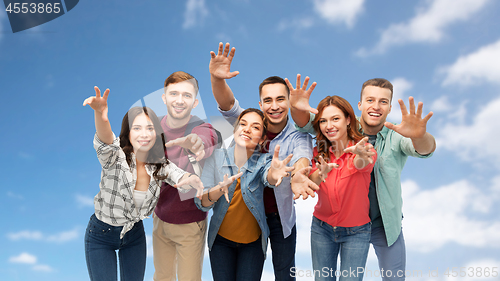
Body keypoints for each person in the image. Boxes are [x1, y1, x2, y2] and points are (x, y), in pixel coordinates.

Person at [290, 78, 436, 281]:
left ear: (390, 107)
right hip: (333, 223)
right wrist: (296, 107)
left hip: (381, 224)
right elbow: (305, 125)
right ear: (359, 105)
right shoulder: (339, 126)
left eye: (383, 102)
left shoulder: (397, 135)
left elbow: (424, 150)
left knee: (394, 278)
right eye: (370, 100)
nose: (376, 107)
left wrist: (419, 135)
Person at [209, 42, 318, 280]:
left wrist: (299, 173)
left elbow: (302, 155)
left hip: (280, 218)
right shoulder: (251, 123)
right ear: (260, 104)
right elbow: (228, 105)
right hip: (248, 217)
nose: (274, 106)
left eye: (281, 99)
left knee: (285, 274)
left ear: (289, 102)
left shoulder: (297, 134)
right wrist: (217, 80)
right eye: (268, 100)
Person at [82, 86, 204, 281]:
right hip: (102, 234)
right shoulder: (115, 157)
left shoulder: (158, 164)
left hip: (134, 235)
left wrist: (190, 178)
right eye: (137, 128)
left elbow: (177, 175)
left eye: (150, 128)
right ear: (128, 133)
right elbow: (106, 140)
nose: (144, 134)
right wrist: (101, 115)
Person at [195, 108, 295, 281]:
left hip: (252, 245)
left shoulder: (263, 161)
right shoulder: (215, 158)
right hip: (220, 242)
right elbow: (202, 202)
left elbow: (268, 177)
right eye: (242, 124)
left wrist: (274, 174)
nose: (247, 129)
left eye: (255, 127)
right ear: (235, 130)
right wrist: (219, 190)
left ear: (263, 138)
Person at [153, 71, 219, 281]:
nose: (179, 100)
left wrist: (198, 144)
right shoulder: (153, 130)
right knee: (162, 277)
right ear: (164, 98)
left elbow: (207, 137)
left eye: (187, 95)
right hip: (160, 219)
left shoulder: (201, 128)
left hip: (190, 223)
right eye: (174, 94)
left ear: (195, 102)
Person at [306, 95, 377, 281]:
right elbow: (311, 183)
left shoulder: (364, 149)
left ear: (348, 120)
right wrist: (320, 173)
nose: (329, 126)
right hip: (322, 228)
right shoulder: (318, 152)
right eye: (323, 121)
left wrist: (361, 155)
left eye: (335, 119)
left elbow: (362, 163)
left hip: (356, 232)